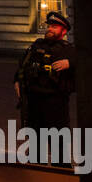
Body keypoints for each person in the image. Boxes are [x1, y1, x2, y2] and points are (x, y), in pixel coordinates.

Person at [13, 11, 76, 164]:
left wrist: (70, 63)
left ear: (64, 31)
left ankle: (61, 177)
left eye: (54, 27)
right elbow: (23, 66)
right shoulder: (36, 46)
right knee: (35, 147)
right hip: (34, 102)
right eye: (49, 26)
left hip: (55, 103)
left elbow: (89, 64)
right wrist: (16, 81)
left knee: (58, 147)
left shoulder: (69, 50)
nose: (50, 29)